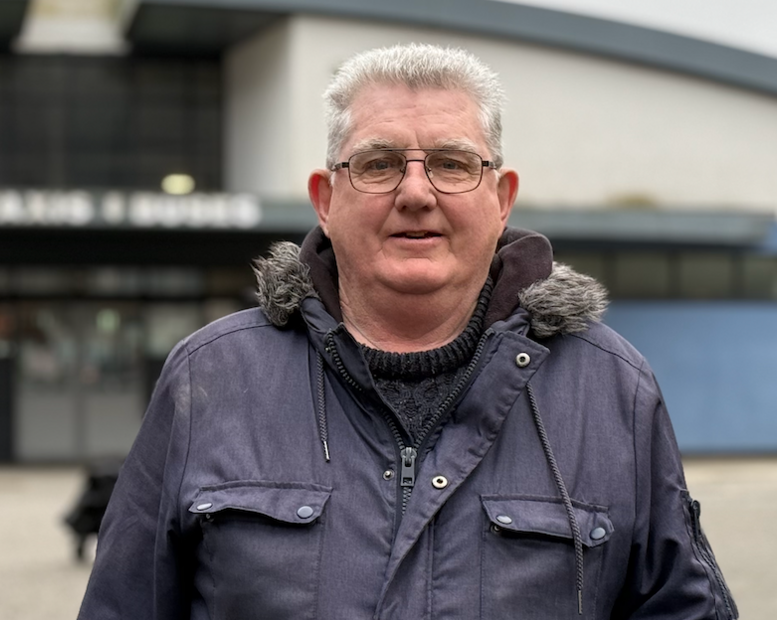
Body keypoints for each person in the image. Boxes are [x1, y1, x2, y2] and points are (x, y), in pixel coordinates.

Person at [79, 43, 736, 619]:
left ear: (501, 198)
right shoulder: (212, 378)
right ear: (326, 200)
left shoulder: (611, 389)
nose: (416, 192)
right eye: (378, 163)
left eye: (451, 163)